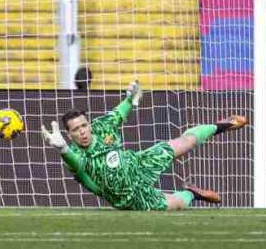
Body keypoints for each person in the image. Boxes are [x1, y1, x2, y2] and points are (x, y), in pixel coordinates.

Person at [42, 81, 248, 211]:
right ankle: (192, 193)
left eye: (84, 125)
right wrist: (63, 149)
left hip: (137, 164)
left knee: (183, 142)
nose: (82, 132)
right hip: (127, 196)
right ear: (68, 134)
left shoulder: (102, 126)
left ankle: (222, 125)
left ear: (89, 123)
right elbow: (75, 163)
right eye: (76, 130)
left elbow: (121, 111)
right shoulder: (73, 155)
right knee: (178, 205)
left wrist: (132, 97)